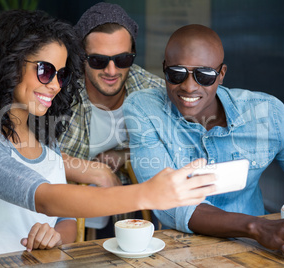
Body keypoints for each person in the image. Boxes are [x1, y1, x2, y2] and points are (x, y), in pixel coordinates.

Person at [0, 11, 215, 258]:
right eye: (45, 71)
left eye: (61, 74)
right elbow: (47, 199)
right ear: (8, 65)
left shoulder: (44, 141)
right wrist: (147, 193)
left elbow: (64, 220)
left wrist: (54, 237)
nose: (55, 85)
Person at [123, 24, 284, 259]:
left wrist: (260, 231)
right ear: (164, 69)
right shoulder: (143, 109)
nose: (189, 86)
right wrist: (256, 227)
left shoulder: (267, 114)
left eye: (204, 76)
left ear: (221, 74)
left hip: (261, 251)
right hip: (182, 253)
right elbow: (169, 203)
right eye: (176, 74)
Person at [57, 2, 165, 232]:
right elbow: (30, 155)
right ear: (81, 56)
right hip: (62, 214)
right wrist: (95, 170)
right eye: (98, 61)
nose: (112, 71)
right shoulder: (57, 91)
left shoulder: (153, 92)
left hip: (129, 213)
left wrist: (124, 155)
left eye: (123, 59)